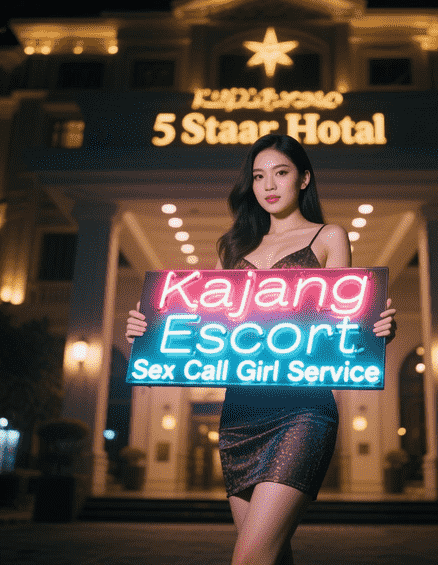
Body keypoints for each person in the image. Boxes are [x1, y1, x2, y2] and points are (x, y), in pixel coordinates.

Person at [126, 134, 396, 565]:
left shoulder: (329, 236)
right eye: (258, 176)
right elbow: (205, 323)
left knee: (250, 556)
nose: (269, 185)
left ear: (304, 179)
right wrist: (150, 329)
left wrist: (377, 328)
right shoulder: (233, 247)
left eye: (281, 172)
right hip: (239, 416)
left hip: (303, 413)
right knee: (272, 554)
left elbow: (347, 319)